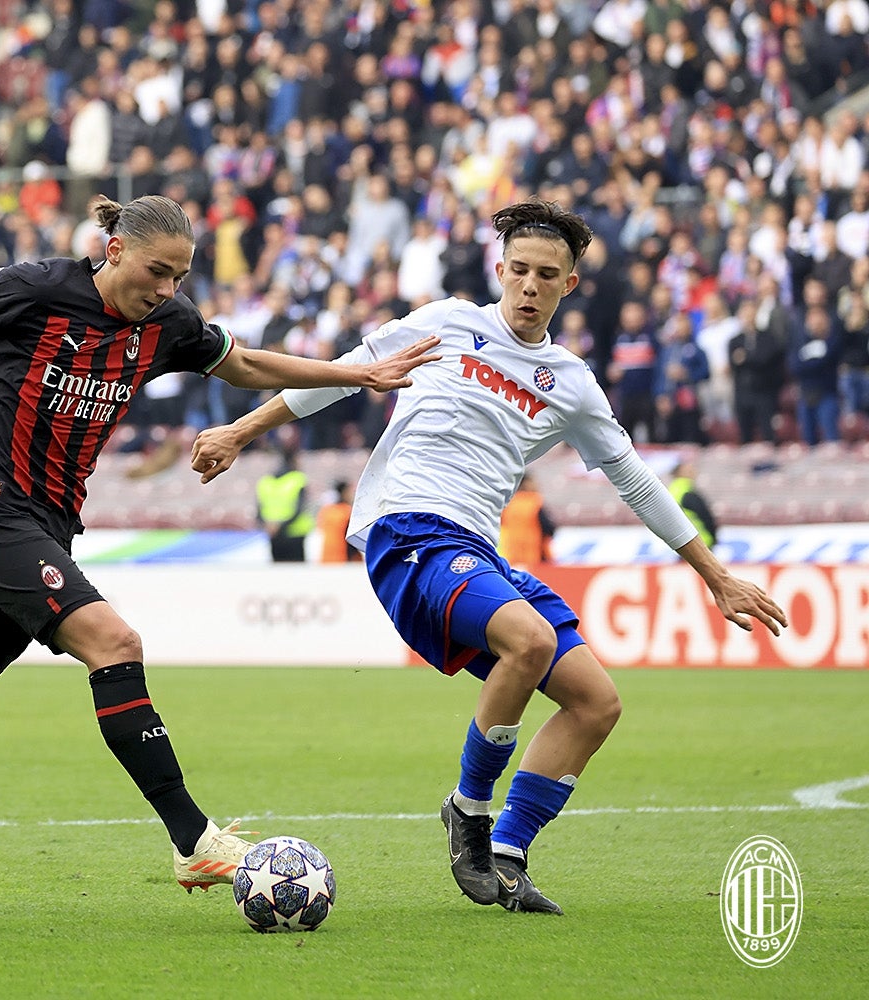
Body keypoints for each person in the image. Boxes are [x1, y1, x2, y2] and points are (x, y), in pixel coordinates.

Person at [0, 194, 439, 891]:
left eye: (180, 278)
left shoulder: (168, 324)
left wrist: (357, 375)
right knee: (115, 643)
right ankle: (193, 839)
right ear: (115, 251)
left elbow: (247, 365)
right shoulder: (40, 289)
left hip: (51, 529)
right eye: (157, 272)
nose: (166, 290)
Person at [190, 200, 787, 915]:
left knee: (597, 703)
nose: (530, 286)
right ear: (500, 270)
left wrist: (716, 576)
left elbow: (631, 477)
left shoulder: (571, 383)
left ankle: (505, 854)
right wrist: (242, 430)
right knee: (530, 642)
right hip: (408, 531)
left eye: (548, 275)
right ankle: (468, 814)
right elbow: (343, 373)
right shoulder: (446, 323)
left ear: (569, 286)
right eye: (521, 271)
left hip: (477, 549)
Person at [256, 439, 313, 562]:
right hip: (294, 535)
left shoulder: (265, 482)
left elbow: (259, 511)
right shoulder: (298, 479)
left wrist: (270, 526)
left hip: (273, 534)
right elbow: (299, 509)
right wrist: (280, 526)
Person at [499, 474, 555, 566]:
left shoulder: (507, 504)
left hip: (512, 555)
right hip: (534, 554)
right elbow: (548, 528)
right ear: (525, 483)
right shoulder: (534, 501)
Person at [668, 458, 718, 548]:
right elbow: (705, 516)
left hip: (680, 542)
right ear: (680, 473)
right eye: (689, 470)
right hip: (699, 541)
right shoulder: (687, 492)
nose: (694, 472)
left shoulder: (671, 491)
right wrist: (713, 537)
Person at [316, 479, 359, 563]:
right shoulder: (347, 512)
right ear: (344, 493)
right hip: (343, 558)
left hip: (327, 557)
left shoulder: (326, 510)